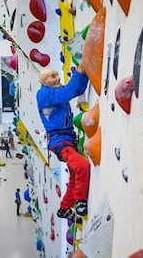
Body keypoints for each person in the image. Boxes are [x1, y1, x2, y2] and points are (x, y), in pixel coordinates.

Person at [36, 65, 90, 220]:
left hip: (65, 138)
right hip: (60, 140)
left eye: (57, 75)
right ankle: (80, 201)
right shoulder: (44, 94)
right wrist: (78, 72)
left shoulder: (53, 92)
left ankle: (65, 208)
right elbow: (67, 93)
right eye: (53, 76)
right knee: (82, 166)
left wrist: (85, 74)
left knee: (74, 174)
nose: (58, 78)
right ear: (45, 81)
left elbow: (76, 90)